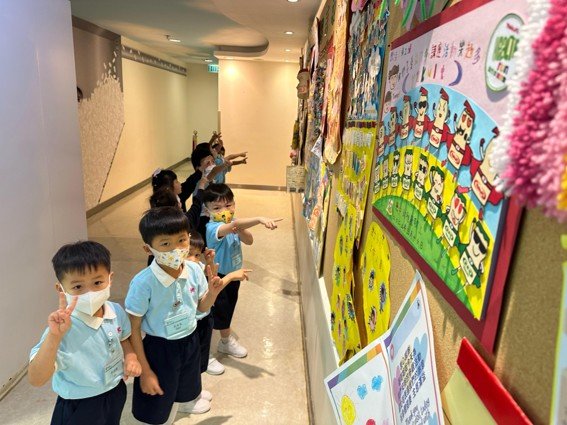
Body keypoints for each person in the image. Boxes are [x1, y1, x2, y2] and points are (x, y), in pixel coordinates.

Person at [125, 207, 224, 424]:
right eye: (165, 244)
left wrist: (212, 293)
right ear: (148, 248)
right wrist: (145, 371)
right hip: (160, 348)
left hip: (189, 340)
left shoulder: (194, 270)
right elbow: (133, 328)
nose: (176, 249)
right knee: (156, 404)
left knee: (182, 389)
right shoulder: (143, 283)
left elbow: (200, 308)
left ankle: (182, 406)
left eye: (181, 240)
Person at [29, 241, 142, 425]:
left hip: (114, 390)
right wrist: (54, 337)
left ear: (110, 279)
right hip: (79, 402)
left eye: (97, 282)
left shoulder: (115, 310)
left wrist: (131, 357)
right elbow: (36, 378)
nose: (90, 293)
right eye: (78, 287)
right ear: (61, 289)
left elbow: (123, 339)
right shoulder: (62, 329)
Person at [203, 183, 282, 359]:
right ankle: (208, 352)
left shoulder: (233, 224)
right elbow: (235, 225)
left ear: (234, 204)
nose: (224, 211)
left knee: (228, 309)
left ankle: (225, 342)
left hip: (234, 275)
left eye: (228, 205)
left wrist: (239, 228)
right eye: (217, 208)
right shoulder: (213, 228)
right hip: (218, 276)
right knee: (215, 314)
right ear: (207, 211)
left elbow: (249, 240)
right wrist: (259, 219)